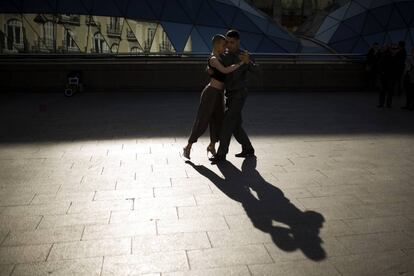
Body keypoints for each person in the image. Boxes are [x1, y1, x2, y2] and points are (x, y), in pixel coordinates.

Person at [183, 34, 248, 160]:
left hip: (219, 94)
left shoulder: (220, 57)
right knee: (202, 121)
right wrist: (241, 63)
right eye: (224, 45)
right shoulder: (213, 58)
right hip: (211, 93)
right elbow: (225, 71)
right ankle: (188, 146)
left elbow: (213, 69)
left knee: (217, 120)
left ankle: (212, 146)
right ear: (217, 45)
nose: (226, 47)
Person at [210, 29, 260, 164]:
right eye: (227, 42)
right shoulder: (225, 55)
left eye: (232, 42)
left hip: (239, 94)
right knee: (236, 125)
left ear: (238, 42)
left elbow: (257, 70)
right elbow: (215, 64)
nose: (228, 45)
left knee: (227, 122)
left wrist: (248, 62)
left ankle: (221, 155)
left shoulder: (244, 55)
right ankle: (248, 149)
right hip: (229, 94)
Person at [378, 43, 400, 108]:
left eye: (395, 49)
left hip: (392, 77)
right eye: (393, 49)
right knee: (383, 91)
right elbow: (380, 65)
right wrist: (382, 72)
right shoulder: (385, 56)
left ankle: (388, 104)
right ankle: (382, 103)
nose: (394, 50)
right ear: (390, 49)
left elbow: (399, 67)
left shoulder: (398, 57)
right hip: (385, 76)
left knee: (390, 91)